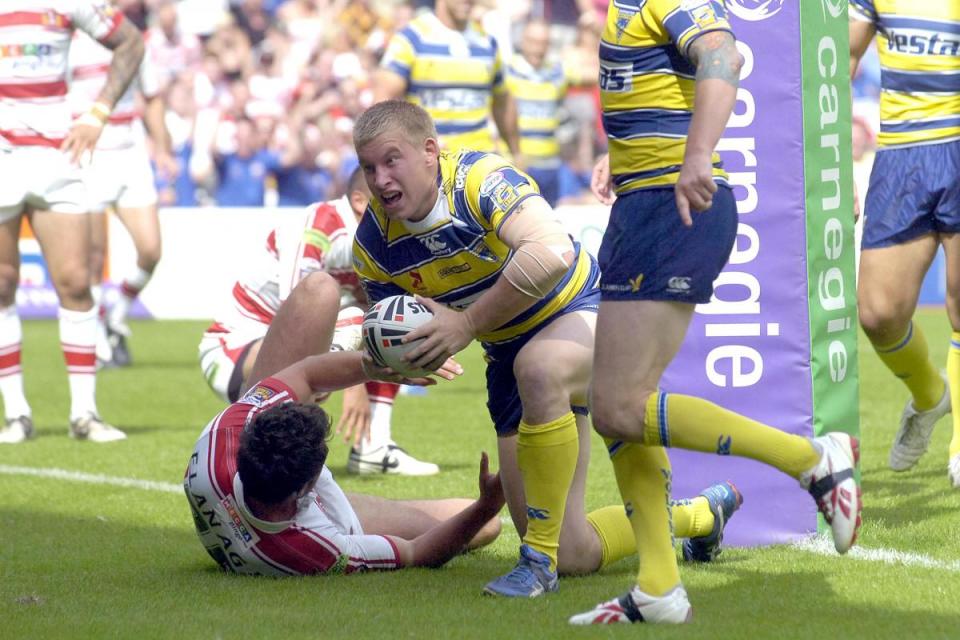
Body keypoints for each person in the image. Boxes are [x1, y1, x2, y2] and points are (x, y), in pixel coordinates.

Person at [351, 100, 744, 598]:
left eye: (391, 160)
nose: (380, 179)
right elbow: (381, 332)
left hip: (582, 309)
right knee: (573, 552)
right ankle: (698, 516)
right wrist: (397, 358)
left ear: (430, 151)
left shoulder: (479, 179)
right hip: (505, 356)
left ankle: (537, 565)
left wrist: (466, 323)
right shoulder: (374, 244)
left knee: (539, 366)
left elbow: (552, 252)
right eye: (368, 168)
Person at [568, 2, 863, 625]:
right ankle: (658, 587)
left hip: (672, 210)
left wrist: (697, 154)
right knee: (619, 410)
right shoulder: (625, 10)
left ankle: (812, 460)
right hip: (641, 203)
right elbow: (660, 92)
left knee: (620, 405)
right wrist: (622, 159)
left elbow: (723, 55)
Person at [185, 271, 503, 576]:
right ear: (309, 489)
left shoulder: (225, 433)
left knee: (318, 289)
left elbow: (307, 373)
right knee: (487, 526)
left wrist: (372, 368)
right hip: (327, 518)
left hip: (268, 504)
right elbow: (415, 552)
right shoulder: (320, 547)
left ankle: (337, 347)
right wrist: (486, 507)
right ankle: (338, 344)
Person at [198, 169, 440, 475]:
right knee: (359, 318)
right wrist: (355, 383)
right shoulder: (320, 225)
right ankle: (245, 461)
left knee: (391, 317)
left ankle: (374, 446)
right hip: (233, 349)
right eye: (389, 199)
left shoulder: (385, 242)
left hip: (301, 351)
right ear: (359, 202)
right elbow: (298, 314)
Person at [0, 1, 144, 444]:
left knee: (76, 281)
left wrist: (97, 114)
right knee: (2, 284)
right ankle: (17, 414)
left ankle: (84, 414)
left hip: (57, 156)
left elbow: (131, 43)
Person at [849, 0, 960, 488]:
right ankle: (930, 393)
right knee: (877, 314)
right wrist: (831, 155)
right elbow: (842, 63)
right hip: (901, 161)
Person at [68, 26, 176, 368]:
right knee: (94, 255)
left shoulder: (133, 40)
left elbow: (153, 96)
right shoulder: (71, 43)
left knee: (150, 250)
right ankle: (98, 340)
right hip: (87, 153)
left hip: (130, 155)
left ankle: (117, 314)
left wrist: (163, 148)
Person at [373, 0, 521, 158]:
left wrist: (516, 153)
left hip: (480, 162)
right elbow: (382, 106)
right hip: (432, 164)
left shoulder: (488, 43)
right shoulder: (411, 38)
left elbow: (503, 103)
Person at [505, 19, 568, 207]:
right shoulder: (507, 70)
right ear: (523, 41)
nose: (538, 49)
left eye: (543, 43)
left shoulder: (557, 72)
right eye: (533, 42)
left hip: (550, 164)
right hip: (517, 163)